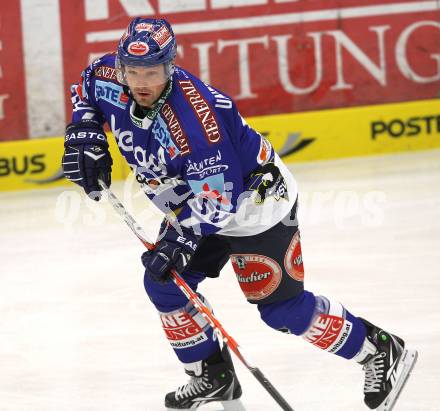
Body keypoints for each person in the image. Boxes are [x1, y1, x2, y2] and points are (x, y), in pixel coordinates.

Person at [62, 17, 417, 410]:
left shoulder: (195, 122)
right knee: (163, 285)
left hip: (255, 207)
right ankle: (212, 375)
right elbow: (85, 88)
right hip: (191, 202)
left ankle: (378, 350)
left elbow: (219, 200)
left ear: (171, 65)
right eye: (133, 71)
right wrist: (85, 131)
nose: (141, 82)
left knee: (282, 311)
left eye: (152, 72)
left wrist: (179, 241)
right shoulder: (110, 74)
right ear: (121, 63)